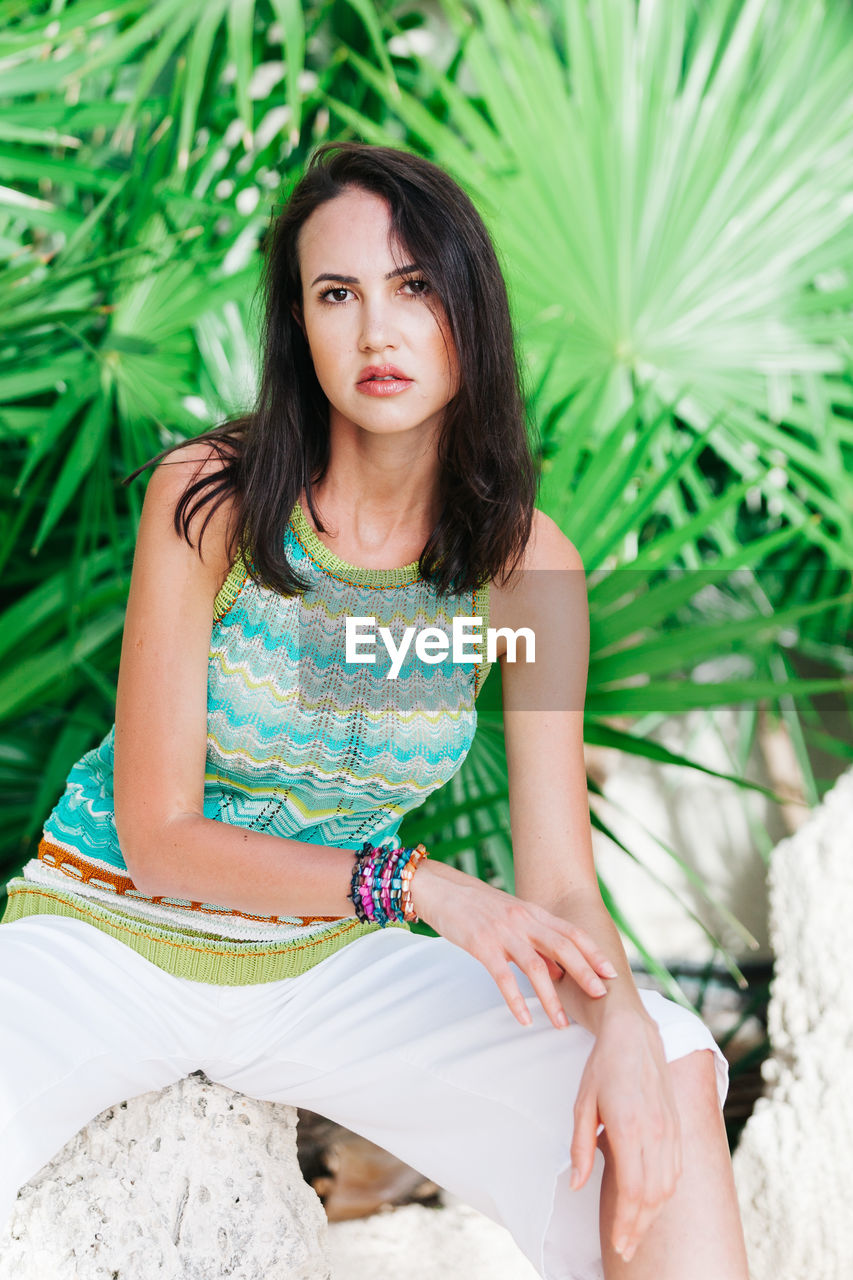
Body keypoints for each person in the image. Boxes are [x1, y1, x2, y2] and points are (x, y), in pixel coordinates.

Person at [0, 141, 750, 1280]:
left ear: (468, 312)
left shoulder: (524, 572)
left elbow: (556, 881)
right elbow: (159, 837)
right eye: (335, 294)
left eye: (412, 287)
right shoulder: (210, 504)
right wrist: (417, 885)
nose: (375, 331)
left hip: (323, 970)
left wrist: (628, 1030)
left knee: (671, 1063)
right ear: (299, 324)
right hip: (106, 936)